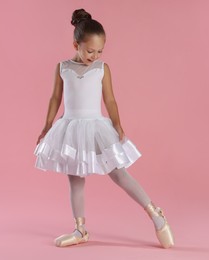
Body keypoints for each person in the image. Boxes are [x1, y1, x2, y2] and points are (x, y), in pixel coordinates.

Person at [33, 8, 175, 249]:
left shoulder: (102, 69)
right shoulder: (62, 68)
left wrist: (117, 124)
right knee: (75, 178)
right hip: (71, 128)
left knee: (119, 173)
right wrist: (46, 127)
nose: (95, 55)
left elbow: (110, 100)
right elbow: (54, 99)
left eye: (99, 51)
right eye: (90, 50)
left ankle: (155, 213)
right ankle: (80, 229)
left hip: (97, 127)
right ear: (75, 44)